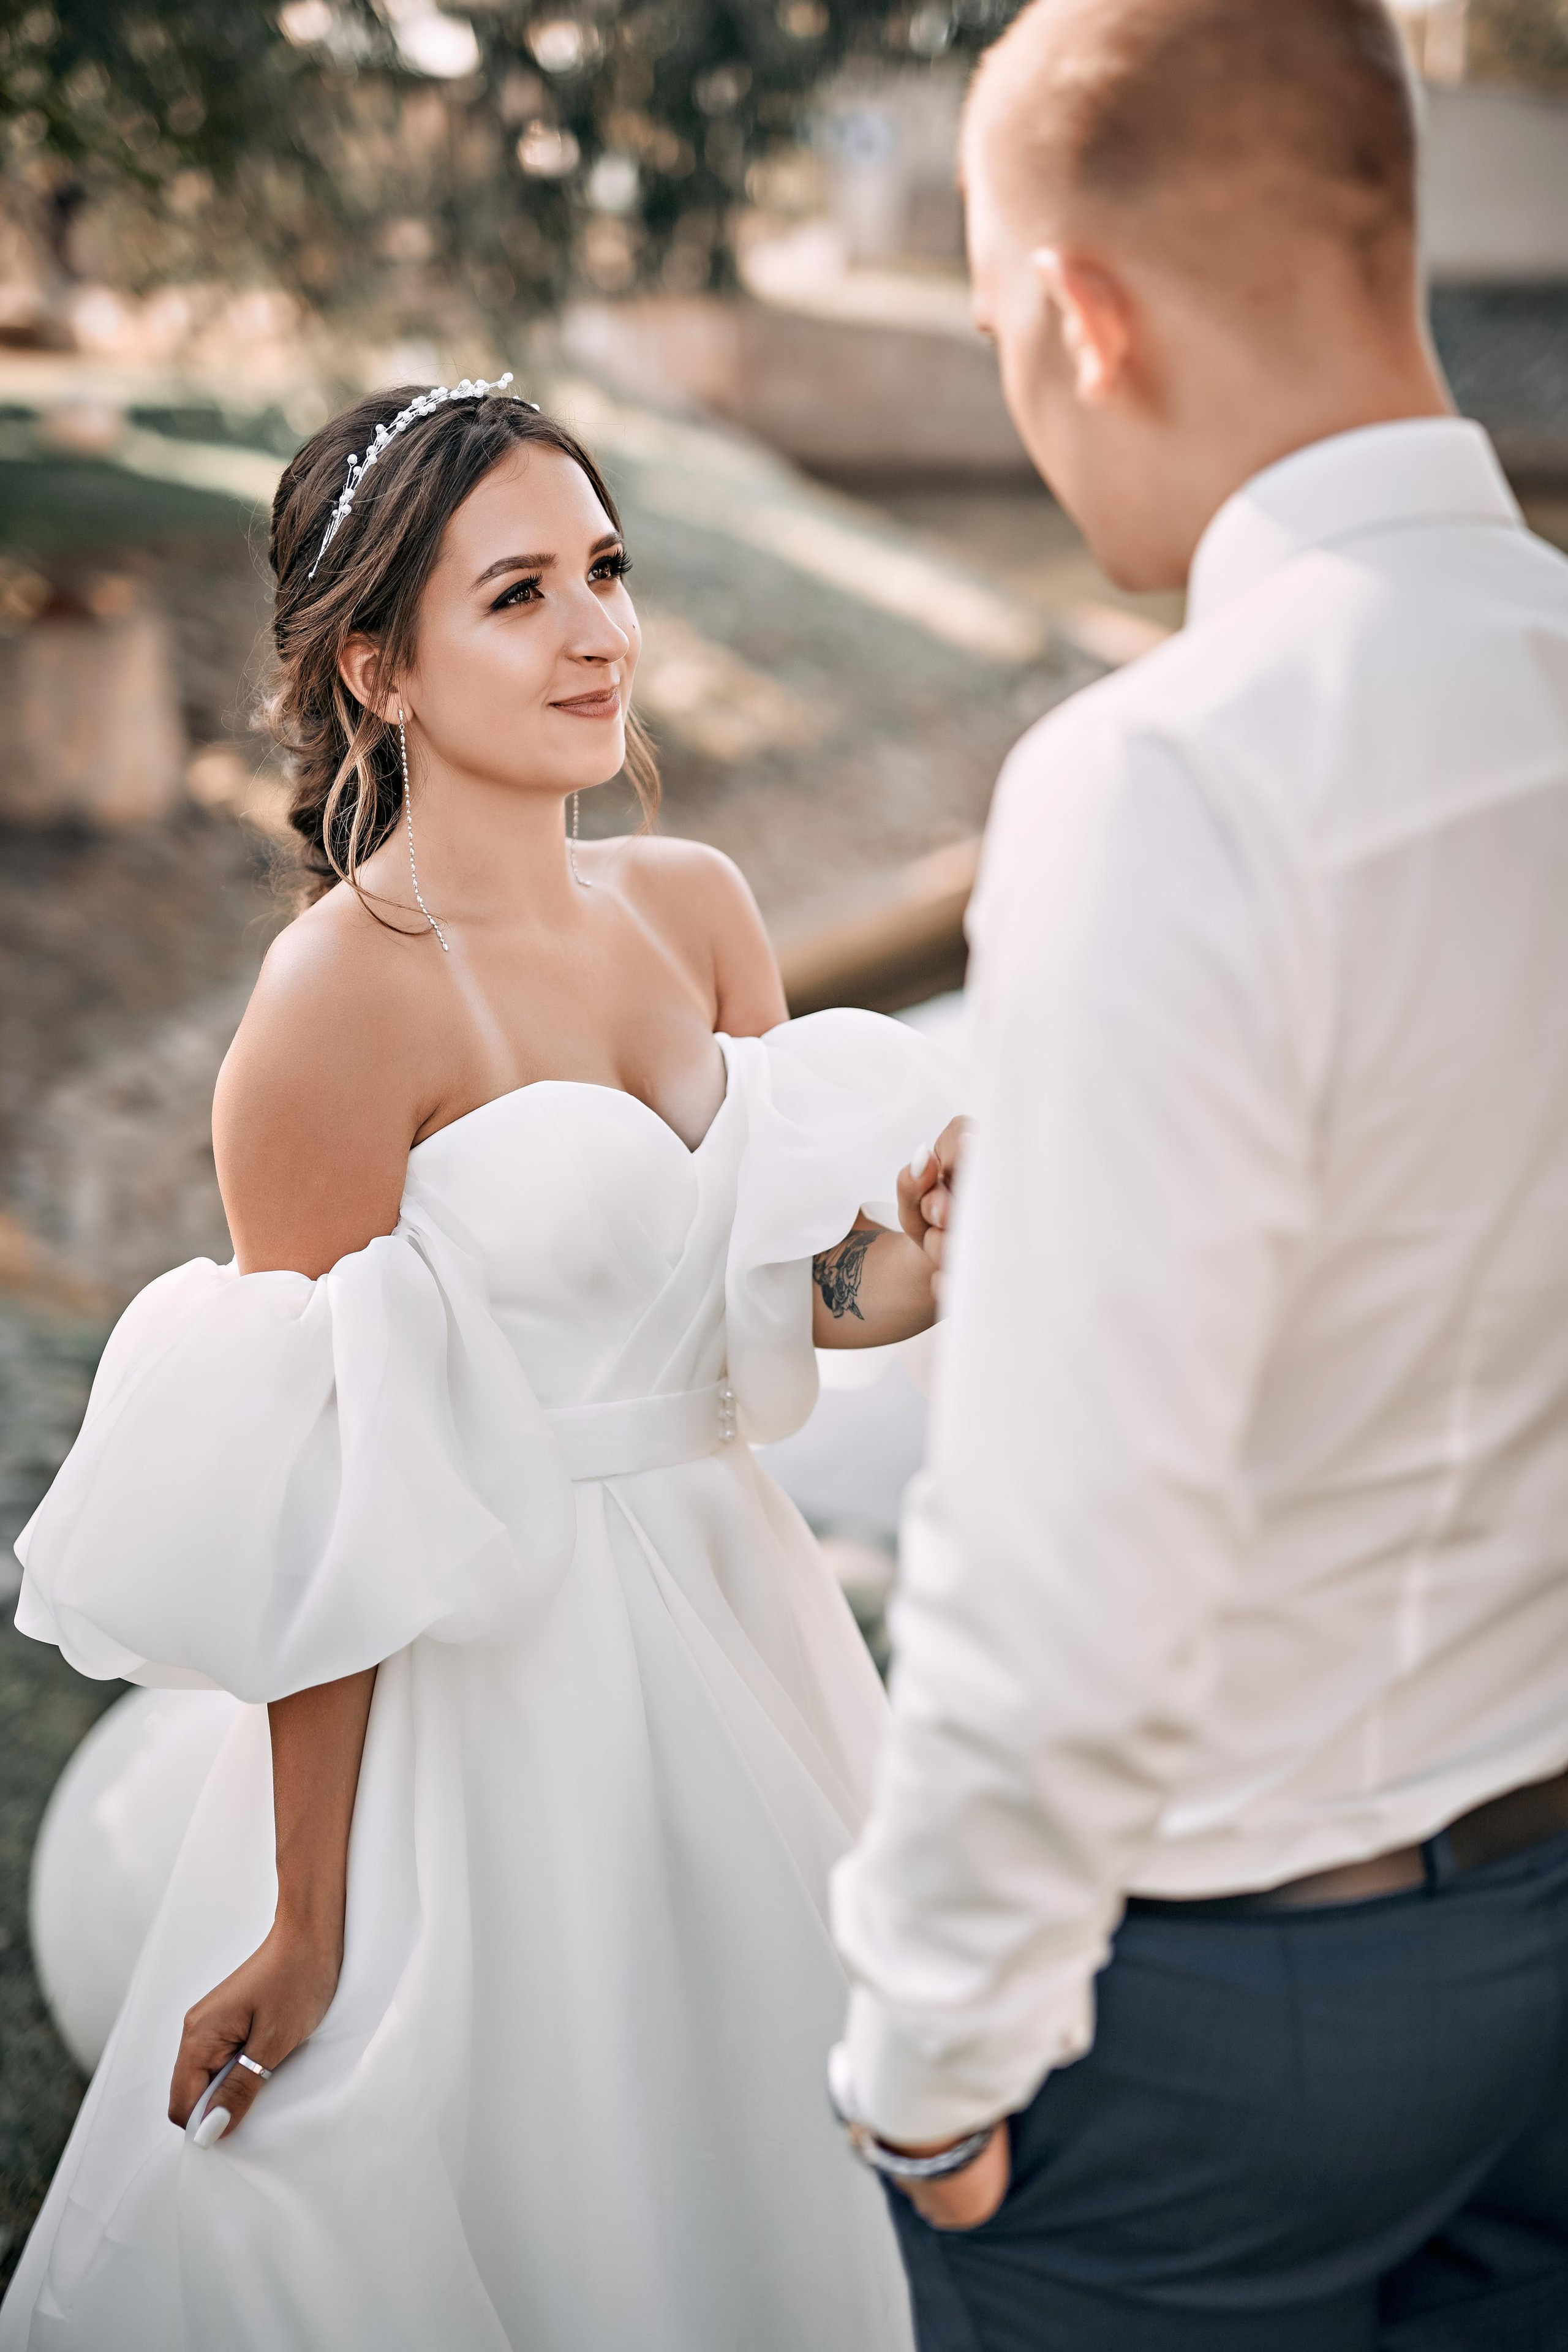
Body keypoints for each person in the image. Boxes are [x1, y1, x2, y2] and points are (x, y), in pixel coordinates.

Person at [2, 378, 961, 2350]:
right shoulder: (333, 1006)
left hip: (742, 1618)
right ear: (380, 666)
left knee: (790, 2168)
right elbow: (321, 1492)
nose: (600, 630)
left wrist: (923, 1268)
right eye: (519, 594)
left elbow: (789, 1304)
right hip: (495, 1680)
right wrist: (306, 1913)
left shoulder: (696, 910)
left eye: (606, 570)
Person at [828, 2, 1568, 2345]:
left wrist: (928, 2066)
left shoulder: (1167, 777)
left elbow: (1066, 1554)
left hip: (1232, 2019)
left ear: (1079, 314)